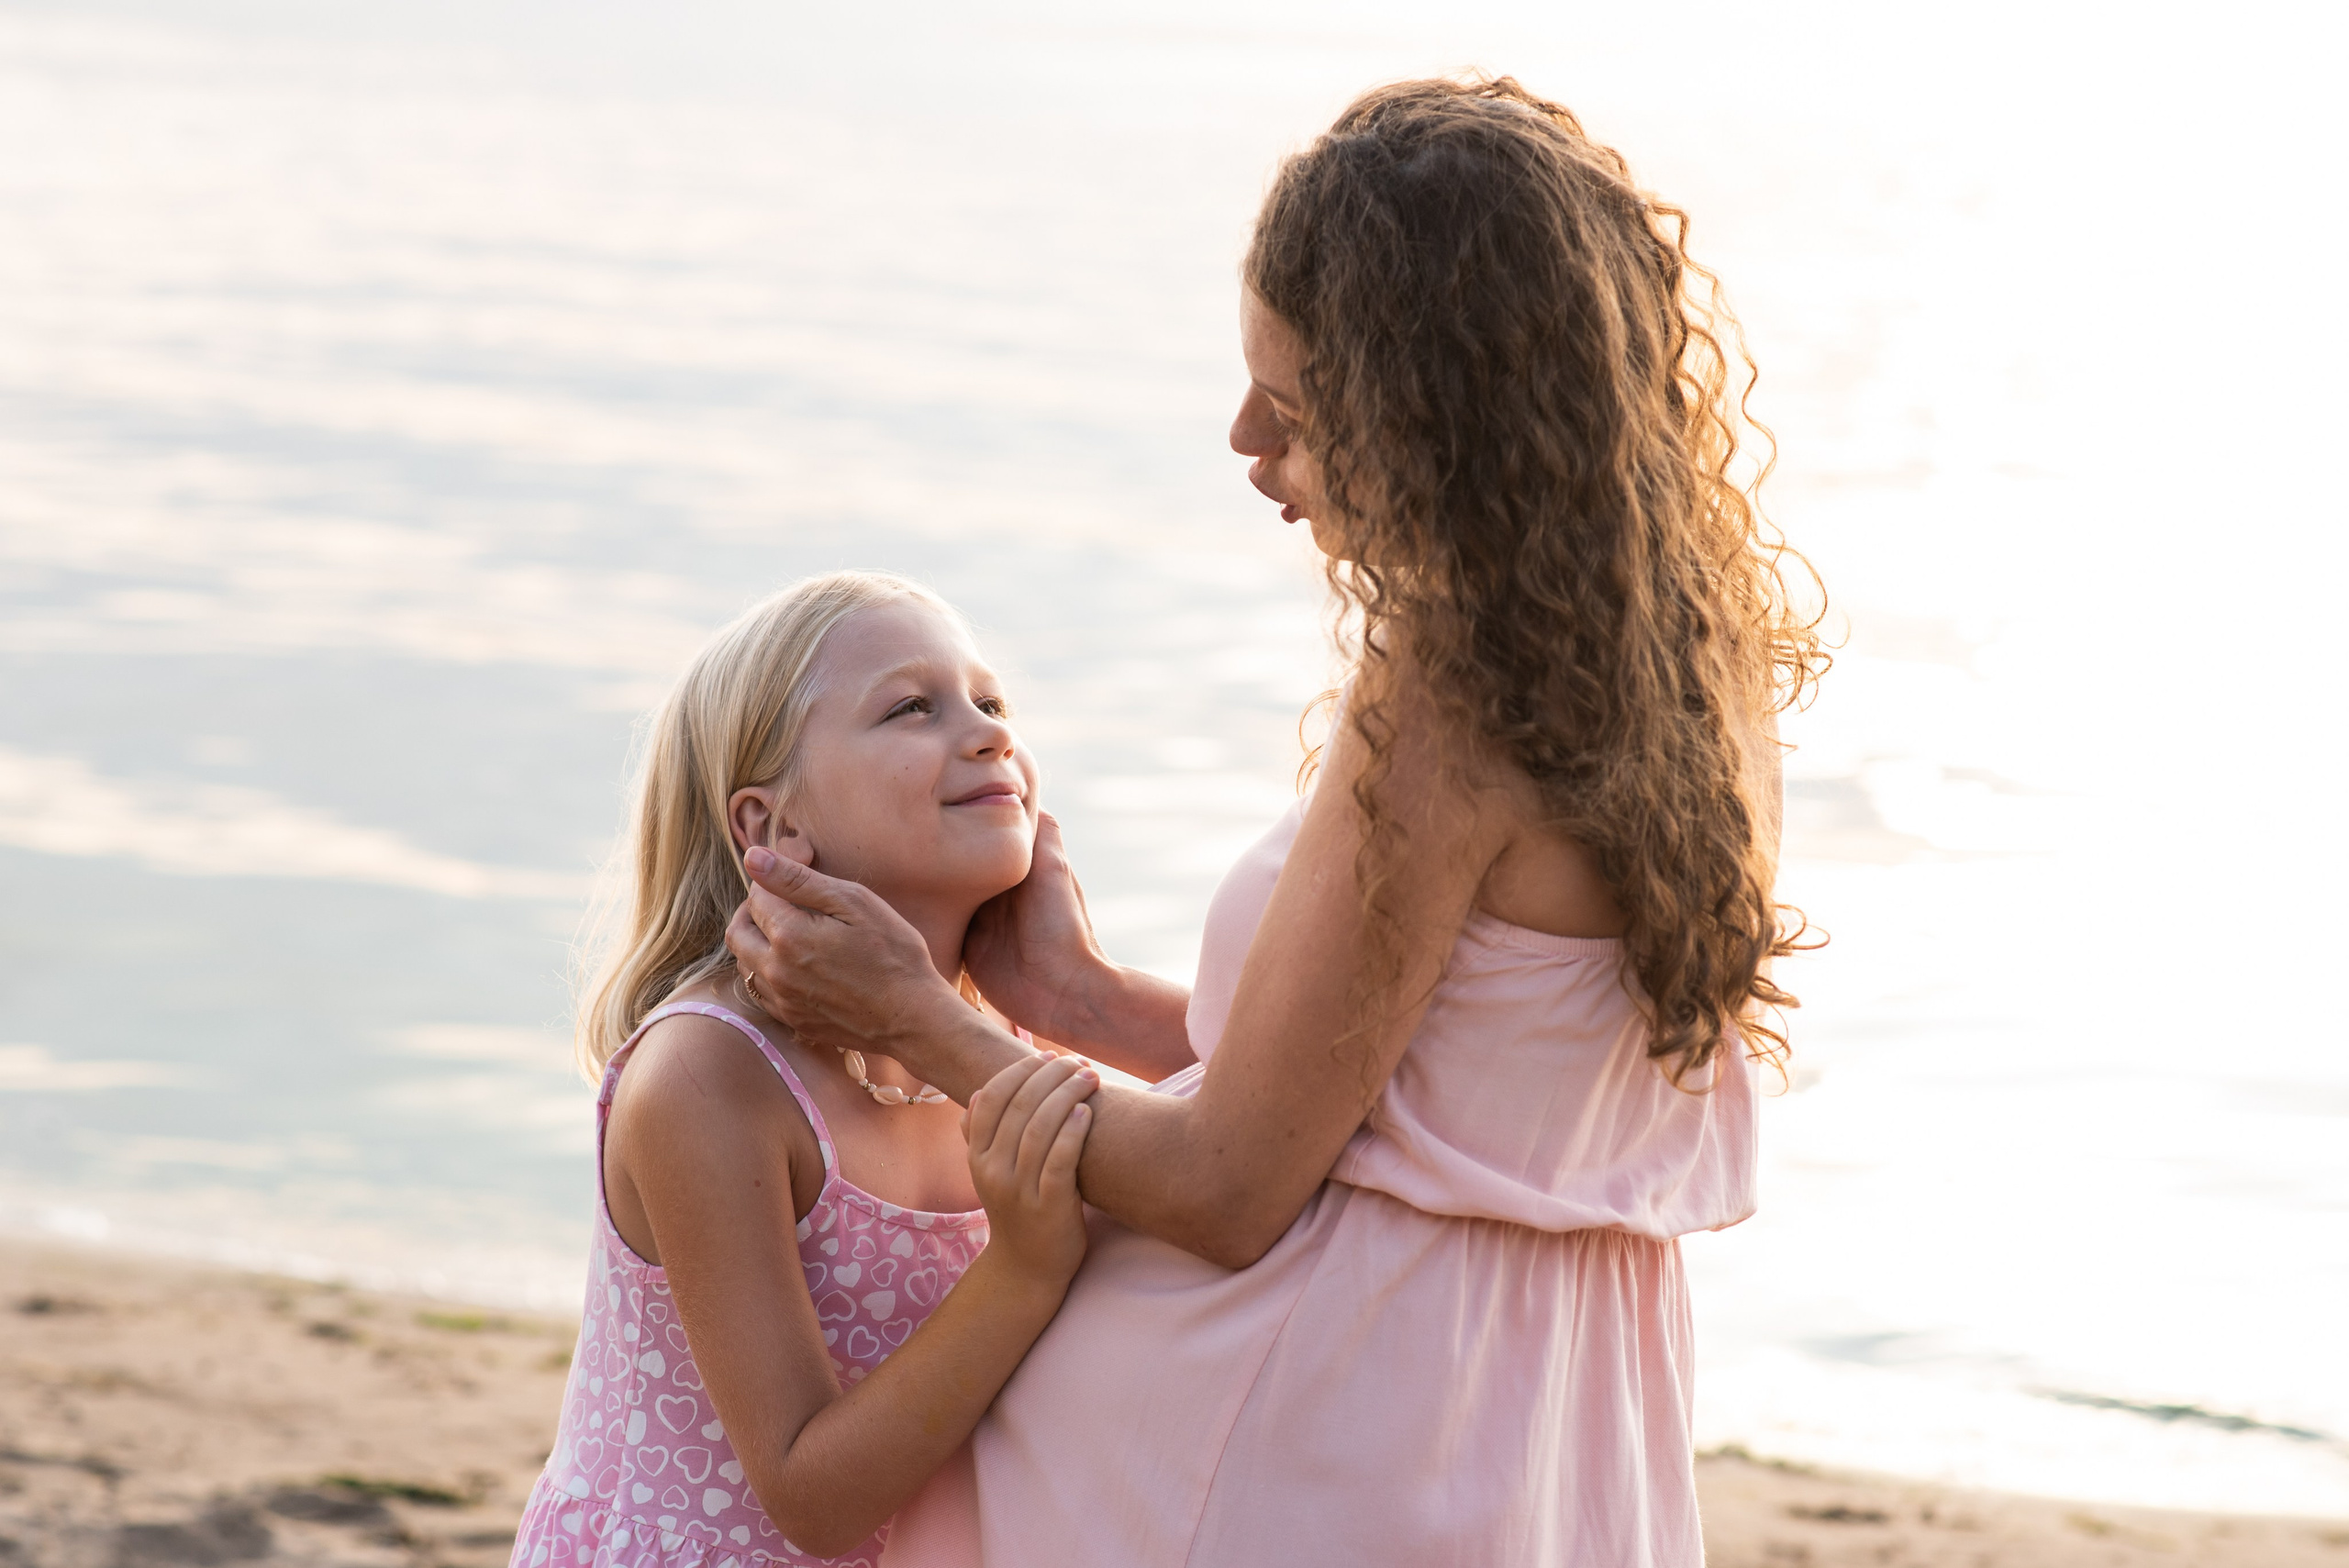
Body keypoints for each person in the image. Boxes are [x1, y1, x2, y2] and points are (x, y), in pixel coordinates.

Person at [729, 77, 1826, 1566]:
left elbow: (1233, 1185)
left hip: (1324, 1427)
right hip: (1545, 1425)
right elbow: (1434, 1089)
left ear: (1436, 418)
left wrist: (919, 1015)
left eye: (1298, 406)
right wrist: (1078, 999)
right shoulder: (1696, 668)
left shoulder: (1448, 703)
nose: (1244, 436)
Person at [511, 571, 1104, 1568]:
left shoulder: (1007, 1040)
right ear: (769, 826)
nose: (990, 732)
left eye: (992, 702)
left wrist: (1087, 992)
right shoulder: (708, 1075)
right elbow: (808, 1495)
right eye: (912, 707)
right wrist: (1025, 1264)